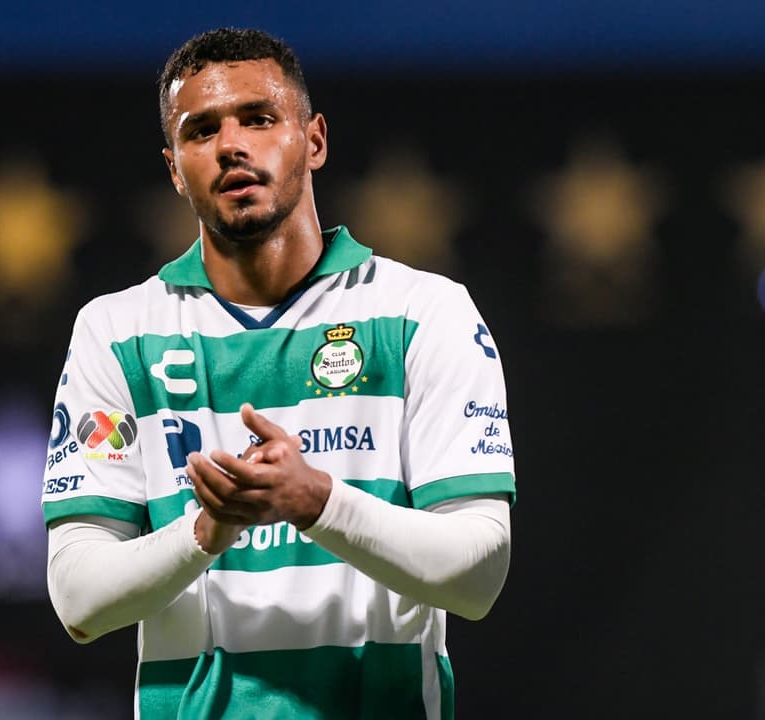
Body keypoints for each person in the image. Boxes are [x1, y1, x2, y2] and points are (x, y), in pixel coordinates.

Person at [42, 28, 515, 719]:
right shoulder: (117, 332)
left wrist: (317, 501)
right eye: (201, 130)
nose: (231, 145)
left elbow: (478, 575)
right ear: (174, 168)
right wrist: (207, 530)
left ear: (314, 140)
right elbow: (78, 598)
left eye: (259, 118)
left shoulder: (423, 312)